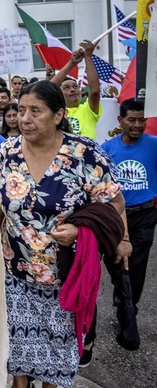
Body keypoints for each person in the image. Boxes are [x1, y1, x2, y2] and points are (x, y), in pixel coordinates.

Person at [0, 81, 125, 388]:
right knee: (19, 352)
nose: (24, 118)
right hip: (15, 275)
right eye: (21, 110)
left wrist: (79, 230)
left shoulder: (84, 153)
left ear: (58, 115)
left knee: (56, 360)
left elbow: (114, 202)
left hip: (65, 277)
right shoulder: (7, 151)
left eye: (36, 111)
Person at [101, 98, 156, 345]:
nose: (137, 125)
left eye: (142, 120)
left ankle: (128, 309)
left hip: (145, 216)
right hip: (115, 218)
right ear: (120, 120)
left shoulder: (154, 145)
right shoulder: (107, 149)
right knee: (115, 263)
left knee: (135, 267)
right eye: (131, 120)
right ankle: (122, 295)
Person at [51, 40, 101, 139]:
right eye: (66, 88)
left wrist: (88, 57)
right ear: (59, 94)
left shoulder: (87, 109)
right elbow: (46, 88)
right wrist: (72, 63)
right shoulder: (53, 112)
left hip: (85, 154)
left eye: (75, 86)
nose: (72, 90)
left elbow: (95, 91)